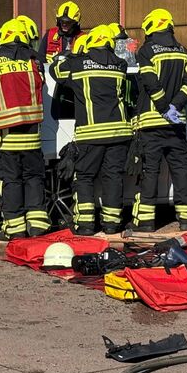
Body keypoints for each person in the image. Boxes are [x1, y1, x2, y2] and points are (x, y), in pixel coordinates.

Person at [0, 18, 50, 240]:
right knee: (34, 179)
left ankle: (15, 230)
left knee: (12, 182)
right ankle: (38, 226)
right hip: (33, 138)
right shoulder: (34, 65)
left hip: (6, 139)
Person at [51, 25, 132, 235]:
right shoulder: (120, 64)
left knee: (84, 177)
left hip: (91, 133)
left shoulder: (78, 64)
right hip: (119, 132)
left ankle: (85, 225)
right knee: (113, 177)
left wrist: (73, 54)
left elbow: (55, 71)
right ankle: (112, 224)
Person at [131, 9, 187, 231]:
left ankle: (146, 222)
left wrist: (162, 107)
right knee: (181, 170)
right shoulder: (183, 51)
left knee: (150, 171)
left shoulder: (147, 50)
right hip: (176, 123)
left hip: (151, 123)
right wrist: (176, 105)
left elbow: (150, 82)